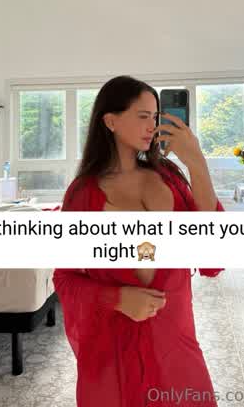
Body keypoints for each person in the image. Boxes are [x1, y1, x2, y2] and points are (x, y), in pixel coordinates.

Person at [52, 75, 226, 407]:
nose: (152, 125)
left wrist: (196, 161)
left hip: (175, 337)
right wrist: (117, 298)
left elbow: (211, 254)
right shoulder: (83, 194)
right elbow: (64, 277)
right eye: (143, 116)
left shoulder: (170, 178)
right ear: (111, 121)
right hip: (112, 349)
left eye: (155, 117)